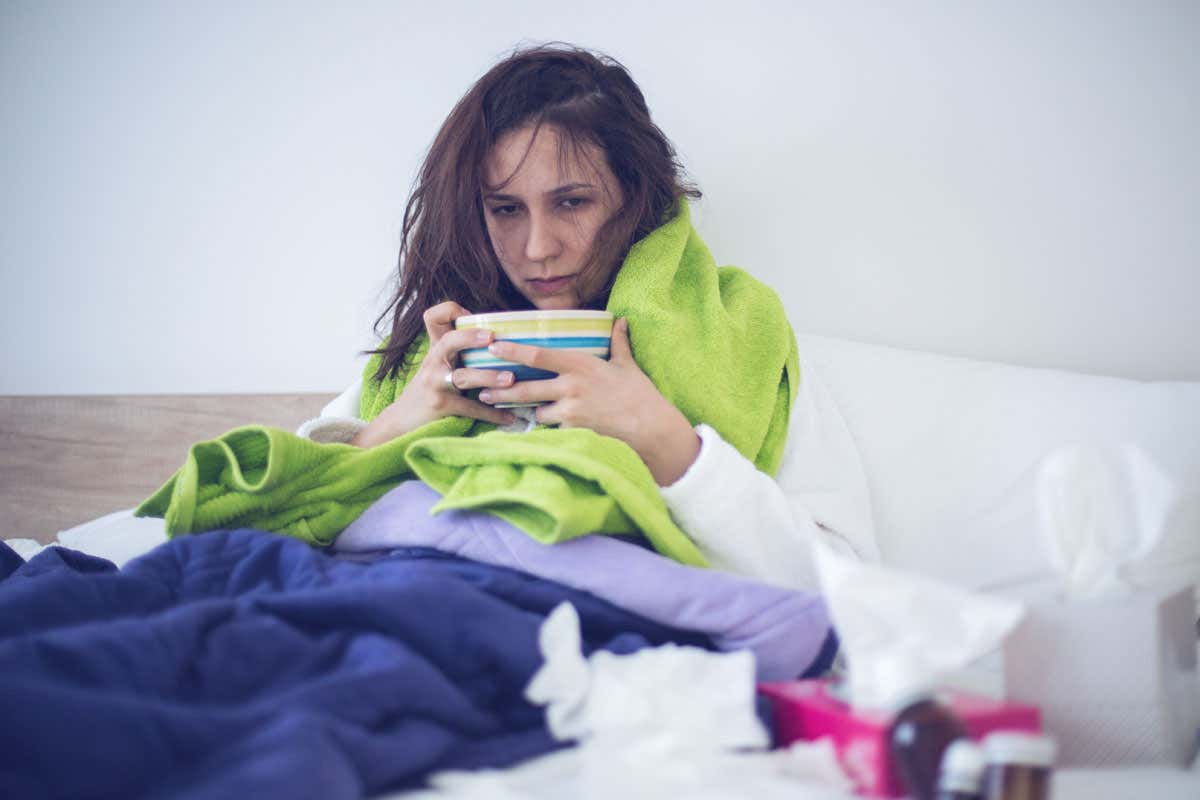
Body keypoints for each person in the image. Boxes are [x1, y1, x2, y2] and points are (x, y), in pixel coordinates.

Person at [299, 43, 878, 590]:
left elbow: (851, 588)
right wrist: (393, 427)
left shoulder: (743, 336)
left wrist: (673, 449)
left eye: (572, 202)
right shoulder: (436, 351)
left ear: (633, 196)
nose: (537, 248)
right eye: (505, 209)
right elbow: (282, 528)